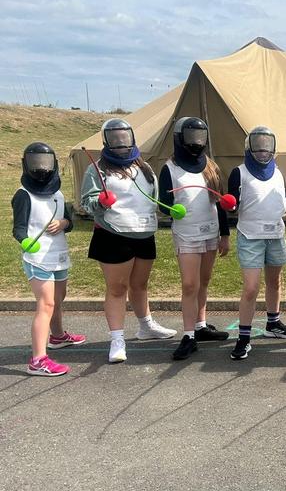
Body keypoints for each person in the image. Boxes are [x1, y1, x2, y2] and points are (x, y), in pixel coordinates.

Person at [81, 119, 176, 363]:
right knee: (117, 289)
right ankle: (117, 340)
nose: (121, 142)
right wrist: (100, 202)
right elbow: (87, 202)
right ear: (106, 141)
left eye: (124, 137)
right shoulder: (97, 169)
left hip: (144, 233)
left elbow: (153, 199)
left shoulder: (144, 167)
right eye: (115, 138)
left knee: (140, 285)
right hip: (113, 235)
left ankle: (146, 326)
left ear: (132, 137)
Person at [157, 117, 231, 360]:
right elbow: (164, 205)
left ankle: (200, 326)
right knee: (190, 284)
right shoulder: (170, 168)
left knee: (204, 281)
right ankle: (188, 335)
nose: (196, 142)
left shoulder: (210, 166)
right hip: (187, 234)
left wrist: (224, 234)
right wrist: (171, 209)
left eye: (200, 137)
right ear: (180, 138)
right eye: (191, 137)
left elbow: (219, 202)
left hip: (210, 231)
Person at [12, 143, 85, 375]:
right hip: (37, 258)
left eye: (45, 162)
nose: (41, 168)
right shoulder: (23, 195)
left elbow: (69, 223)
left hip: (58, 254)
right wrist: (25, 242)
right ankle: (38, 359)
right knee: (46, 304)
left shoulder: (58, 194)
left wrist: (63, 223)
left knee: (58, 299)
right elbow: (18, 229)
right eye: (36, 162)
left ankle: (58, 336)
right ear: (26, 164)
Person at [227, 126, 286, 360]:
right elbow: (232, 205)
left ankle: (273, 323)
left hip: (275, 234)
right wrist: (230, 205)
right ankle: (243, 338)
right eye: (258, 146)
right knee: (251, 288)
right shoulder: (239, 173)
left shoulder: (278, 172)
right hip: (250, 236)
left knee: (275, 281)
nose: (262, 151)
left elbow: (285, 200)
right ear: (249, 147)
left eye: (266, 146)